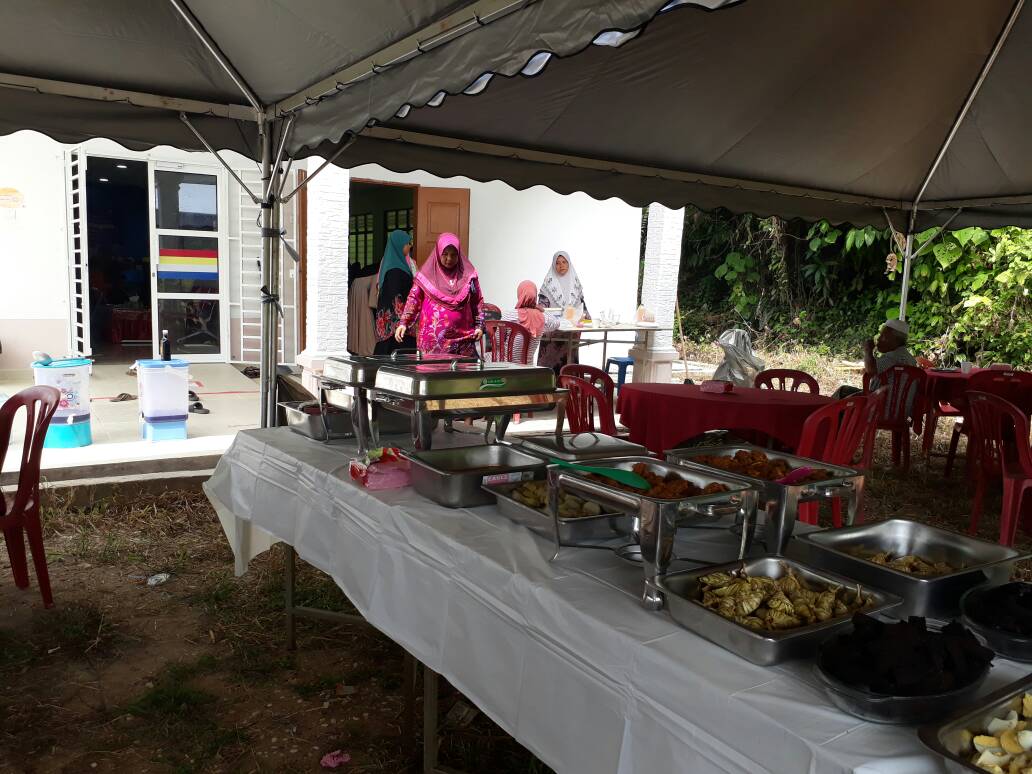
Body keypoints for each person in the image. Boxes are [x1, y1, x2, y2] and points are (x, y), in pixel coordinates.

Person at [394, 232, 484, 355]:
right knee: (435, 367)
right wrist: (404, 323)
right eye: (445, 254)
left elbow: (477, 301)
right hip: (433, 342)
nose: (449, 259)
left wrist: (479, 325)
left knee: (463, 368)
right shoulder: (426, 276)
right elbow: (414, 299)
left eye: (454, 255)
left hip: (463, 341)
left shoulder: (468, 276)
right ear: (438, 253)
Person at [832, 319, 917, 399]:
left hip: (881, 404)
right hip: (900, 406)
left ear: (895, 340)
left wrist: (868, 351)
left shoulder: (893, 356)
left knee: (842, 392)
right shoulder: (910, 358)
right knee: (844, 390)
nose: (879, 339)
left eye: (883, 336)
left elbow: (871, 370)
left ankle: (826, 409)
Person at [537, 251, 589, 372]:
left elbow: (583, 309)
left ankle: (570, 381)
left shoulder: (575, 285)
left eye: (564, 262)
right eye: (558, 263)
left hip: (571, 331)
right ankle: (550, 381)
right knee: (551, 366)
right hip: (553, 332)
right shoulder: (548, 286)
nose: (561, 265)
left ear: (569, 264)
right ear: (554, 265)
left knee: (569, 364)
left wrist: (584, 319)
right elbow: (542, 309)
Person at [373, 229, 416, 355]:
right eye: (407, 243)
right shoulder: (395, 271)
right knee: (397, 357)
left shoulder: (395, 266)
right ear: (400, 245)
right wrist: (405, 320)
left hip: (395, 326)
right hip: (397, 329)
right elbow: (396, 298)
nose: (410, 246)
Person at [495, 281, 560, 363]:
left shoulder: (508, 315)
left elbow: (497, 341)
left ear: (519, 295)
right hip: (527, 367)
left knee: (485, 356)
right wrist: (541, 309)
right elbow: (556, 323)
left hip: (506, 364)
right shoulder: (542, 317)